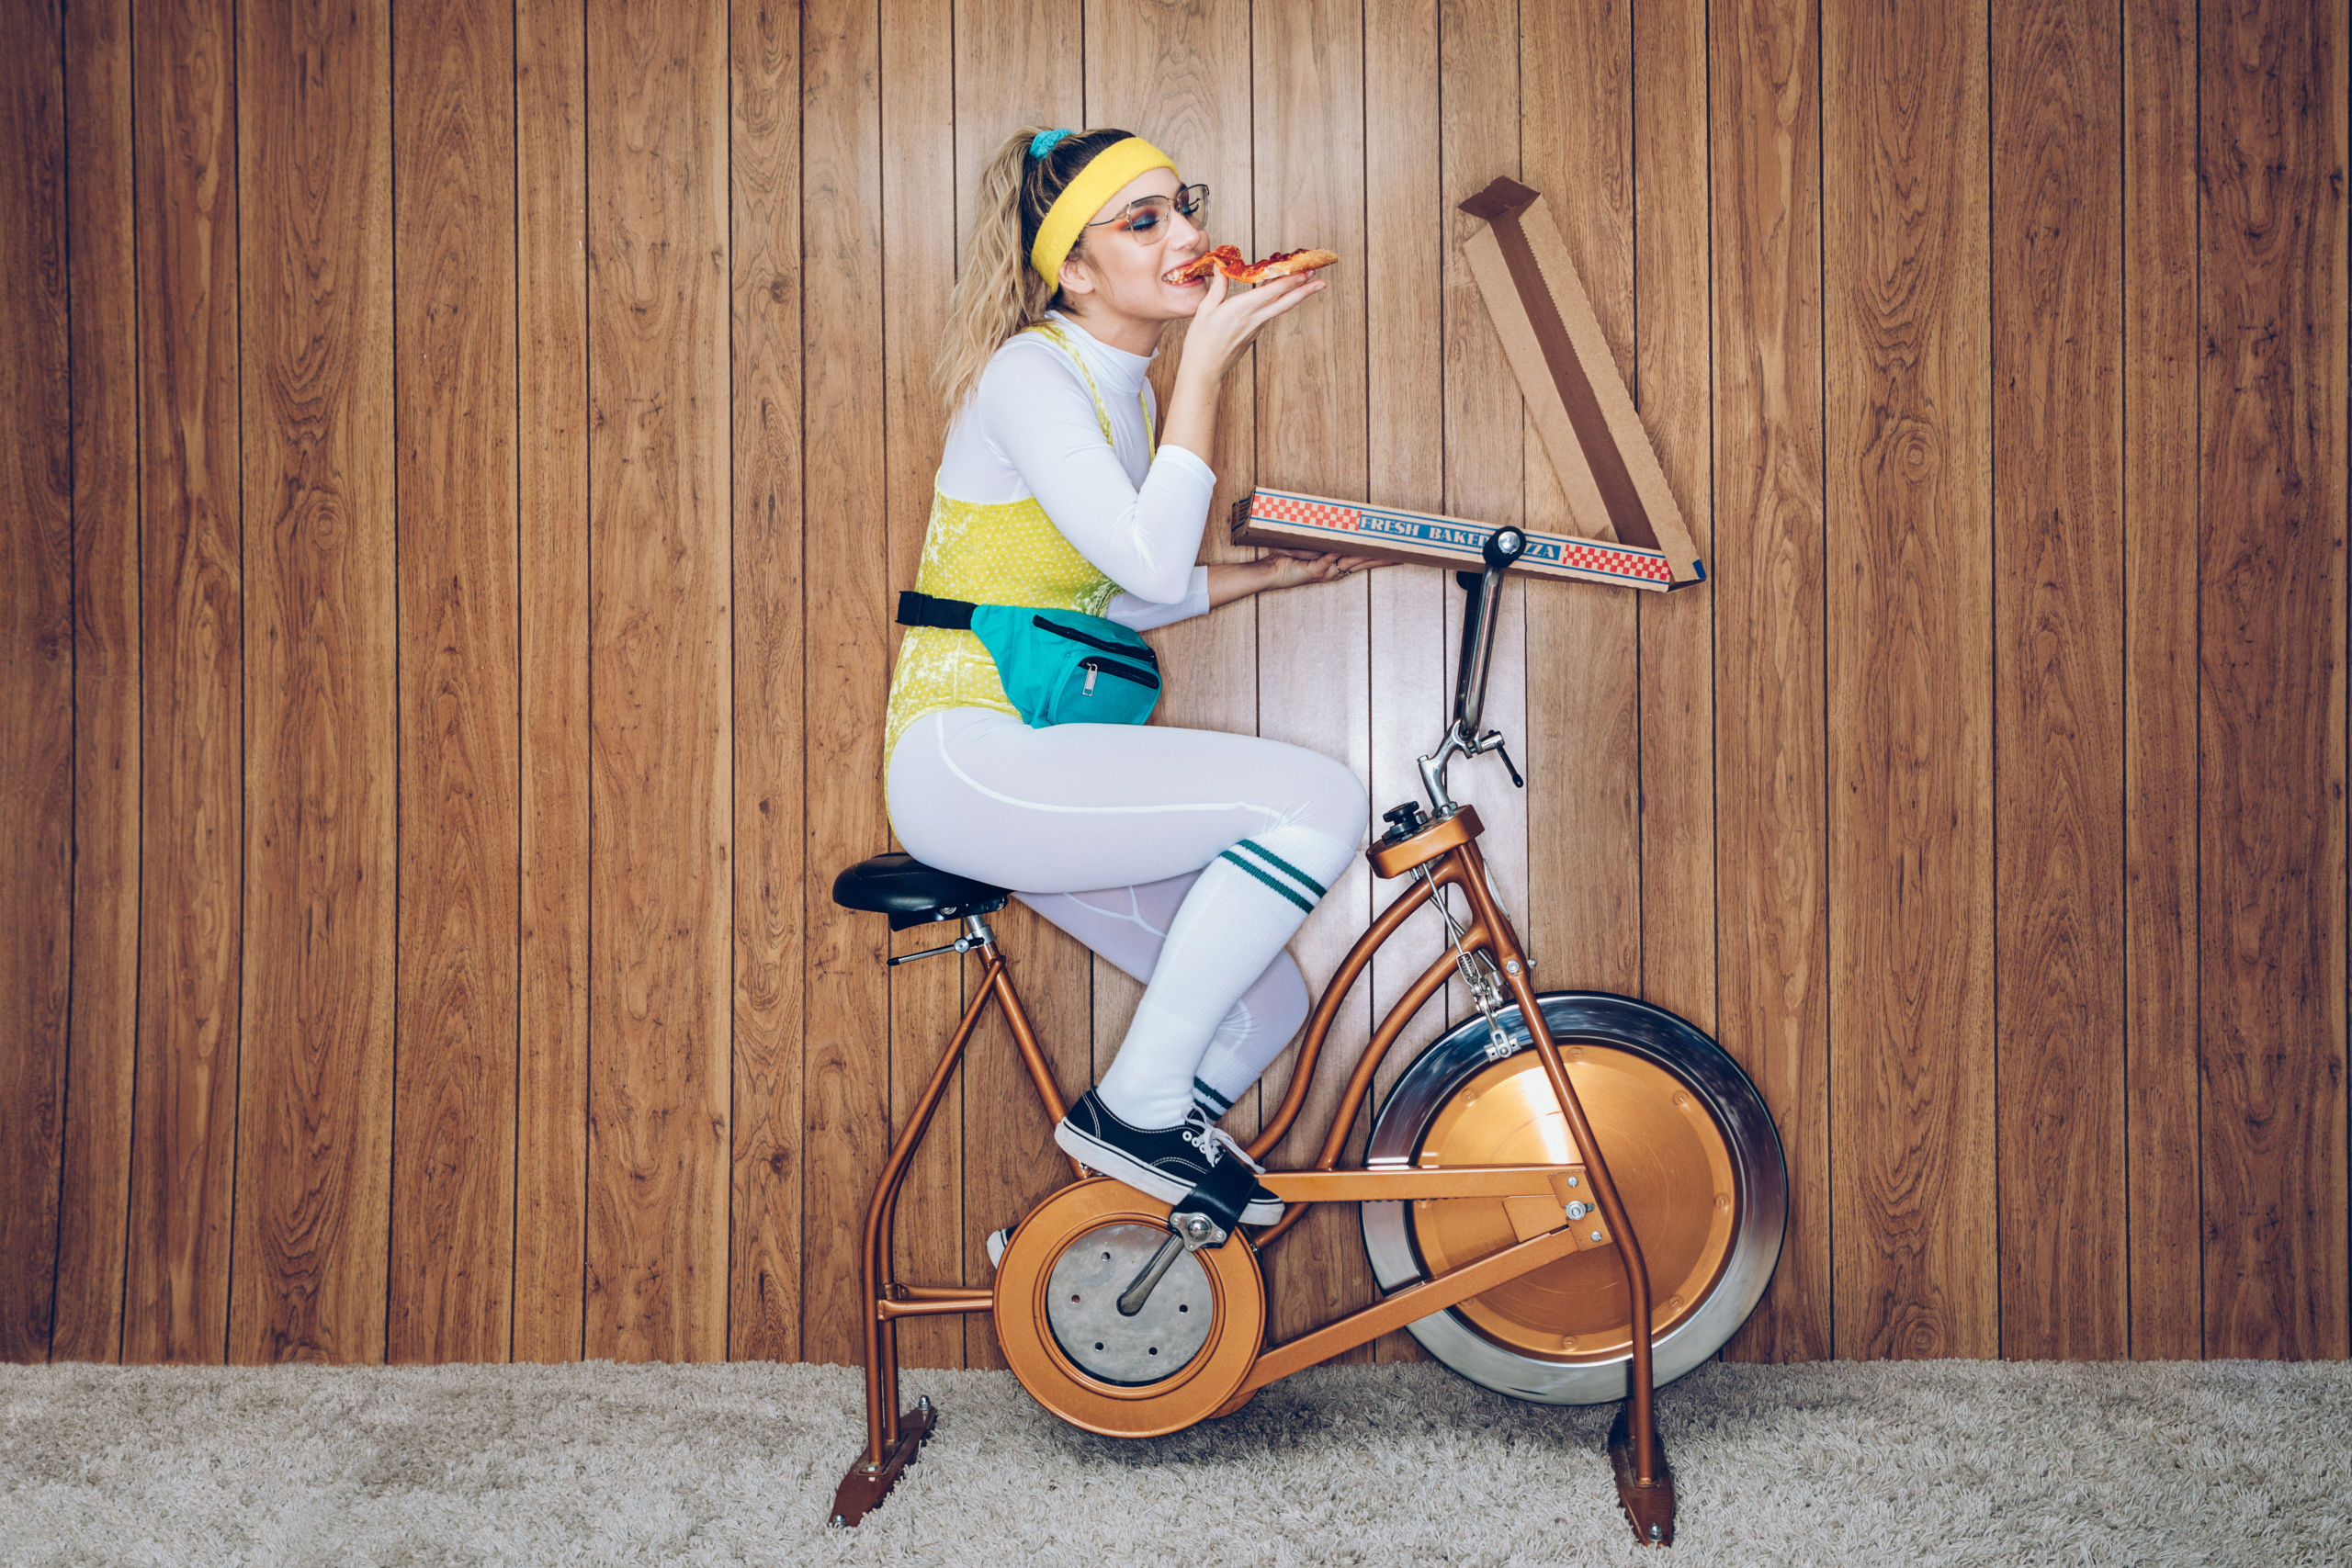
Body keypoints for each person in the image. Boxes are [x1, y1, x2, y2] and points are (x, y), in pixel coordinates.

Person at [884, 126, 1376, 1228]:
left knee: (1262, 1003)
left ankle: (1093, 1232)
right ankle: (1135, 1112)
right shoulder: (1031, 374)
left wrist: (1263, 578)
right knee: (1321, 803)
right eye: (1144, 221)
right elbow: (1146, 555)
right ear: (1074, 268)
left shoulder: (1131, 392)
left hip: (1034, 755)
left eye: (1182, 207)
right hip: (971, 753)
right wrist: (1207, 360)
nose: (1190, 238)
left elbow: (1098, 591)